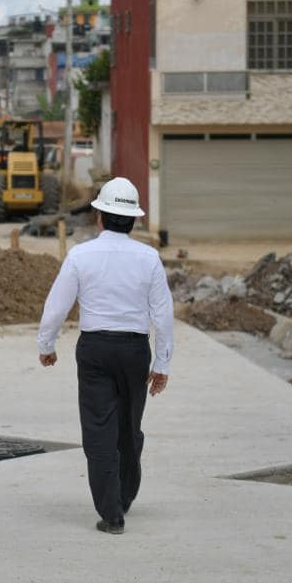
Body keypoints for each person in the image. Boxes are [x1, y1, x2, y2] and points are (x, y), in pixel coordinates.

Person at [36, 177, 173, 535]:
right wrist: (162, 364)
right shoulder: (149, 258)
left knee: (99, 430)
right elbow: (163, 315)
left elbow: (57, 307)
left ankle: (111, 513)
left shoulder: (81, 256)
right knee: (129, 426)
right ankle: (124, 495)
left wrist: (46, 346)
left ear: (99, 216)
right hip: (134, 351)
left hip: (95, 350)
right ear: (134, 220)